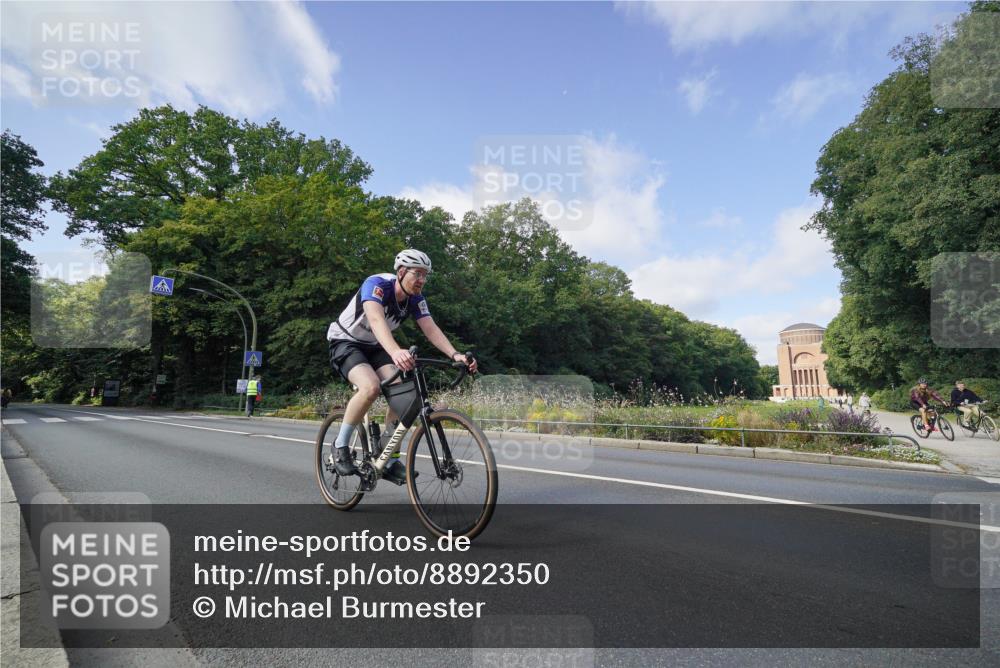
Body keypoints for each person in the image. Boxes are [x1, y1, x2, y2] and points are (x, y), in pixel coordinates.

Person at [326, 249, 477, 484]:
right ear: (401, 272)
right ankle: (340, 446)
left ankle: (389, 458)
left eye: (425, 275)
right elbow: (375, 320)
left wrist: (455, 354)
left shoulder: (416, 299)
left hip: (375, 346)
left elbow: (430, 328)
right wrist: (395, 351)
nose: (422, 280)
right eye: (417, 274)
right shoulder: (376, 285)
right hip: (345, 341)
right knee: (370, 388)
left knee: (402, 396)